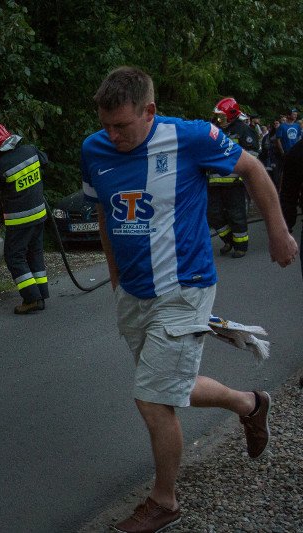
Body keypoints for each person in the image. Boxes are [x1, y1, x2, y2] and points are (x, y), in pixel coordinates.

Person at [80, 66, 298, 533]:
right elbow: (103, 214)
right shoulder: (93, 149)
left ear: (150, 111)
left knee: (152, 399)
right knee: (168, 383)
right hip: (135, 293)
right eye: (106, 125)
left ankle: (165, 502)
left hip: (186, 287)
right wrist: (115, 277)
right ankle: (249, 404)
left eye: (122, 125)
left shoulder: (192, 137)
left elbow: (253, 168)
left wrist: (279, 232)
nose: (112, 134)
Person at [0, 122, 49, 314]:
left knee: (14, 257)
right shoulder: (30, 150)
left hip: (20, 220)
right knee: (34, 253)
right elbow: (45, 162)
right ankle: (40, 294)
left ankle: (31, 298)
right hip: (39, 213)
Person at [207, 97, 260, 258]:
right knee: (213, 214)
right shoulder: (214, 129)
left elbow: (252, 155)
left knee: (236, 214)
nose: (218, 118)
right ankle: (229, 240)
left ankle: (241, 246)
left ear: (231, 114)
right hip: (214, 182)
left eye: (221, 115)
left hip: (234, 182)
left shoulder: (244, 130)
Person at [280, 139, 303, 279]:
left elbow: (288, 195)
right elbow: (288, 195)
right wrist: (284, 233)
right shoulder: (297, 152)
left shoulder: (297, 151)